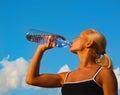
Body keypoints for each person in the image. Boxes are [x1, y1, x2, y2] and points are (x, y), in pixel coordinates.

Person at [25, 29, 118, 95]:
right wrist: (40, 49)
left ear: (88, 43)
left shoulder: (104, 73)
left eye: (79, 37)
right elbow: (31, 79)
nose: (73, 40)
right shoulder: (65, 77)